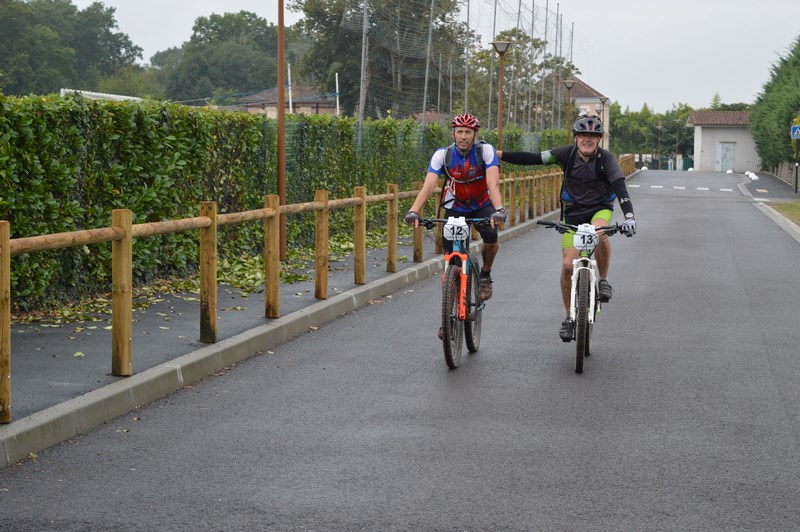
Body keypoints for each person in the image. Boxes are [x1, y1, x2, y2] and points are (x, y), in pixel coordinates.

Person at [499, 114, 636, 342]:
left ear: (599, 139)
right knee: (566, 266)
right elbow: (533, 158)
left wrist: (630, 216)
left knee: (599, 233)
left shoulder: (606, 159)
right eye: (583, 134)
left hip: (599, 209)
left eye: (593, 136)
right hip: (573, 213)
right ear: (576, 137)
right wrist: (498, 154)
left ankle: (603, 280)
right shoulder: (566, 154)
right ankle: (569, 318)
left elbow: (621, 189)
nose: (587, 139)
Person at [404, 112, 506, 302]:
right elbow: (428, 186)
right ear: (453, 134)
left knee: (491, 236)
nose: (463, 136)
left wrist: (499, 209)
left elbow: (493, 184)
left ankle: (485, 274)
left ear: (475, 134)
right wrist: (414, 211)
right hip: (456, 206)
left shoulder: (486, 152)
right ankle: (449, 318)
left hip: (482, 204)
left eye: (468, 132)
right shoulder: (443, 155)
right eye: (459, 132)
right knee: (452, 258)